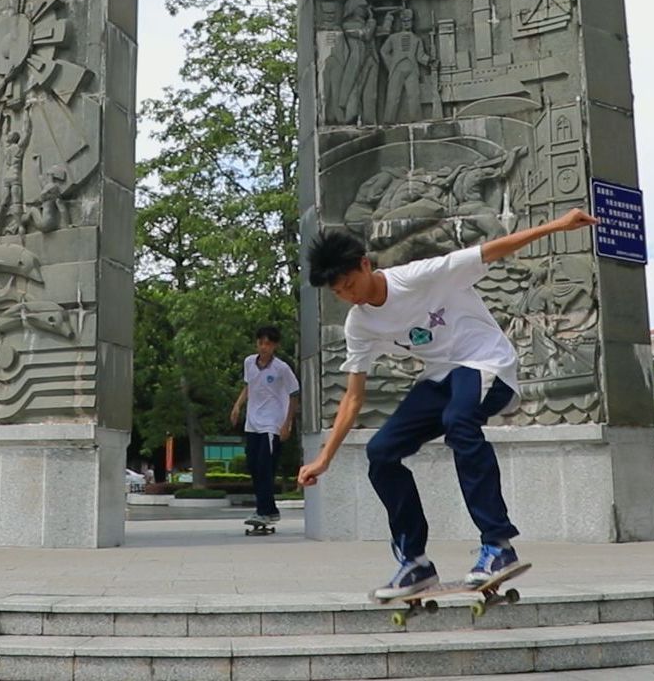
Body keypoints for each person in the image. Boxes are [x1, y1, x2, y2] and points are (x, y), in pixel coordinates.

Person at [298, 206, 600, 600]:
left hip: (486, 362)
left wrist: (559, 225)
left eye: (350, 284)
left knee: (459, 420)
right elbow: (354, 396)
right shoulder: (360, 324)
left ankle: (498, 544)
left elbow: (492, 251)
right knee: (381, 452)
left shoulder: (421, 276)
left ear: (365, 264)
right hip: (441, 377)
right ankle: (415, 562)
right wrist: (324, 458)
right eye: (338, 293)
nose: (349, 296)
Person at [229, 325, 300, 526]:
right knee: (253, 466)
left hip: (272, 424)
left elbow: (294, 394)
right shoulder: (249, 362)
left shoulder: (281, 369)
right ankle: (270, 510)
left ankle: (264, 511)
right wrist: (237, 406)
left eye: (268, 344)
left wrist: (287, 424)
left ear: (275, 345)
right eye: (260, 343)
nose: (263, 347)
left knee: (264, 467)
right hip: (252, 423)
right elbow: (248, 386)